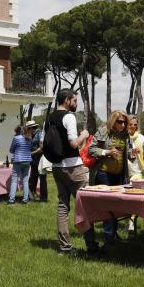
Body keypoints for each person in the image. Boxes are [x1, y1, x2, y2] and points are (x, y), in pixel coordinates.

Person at [48, 89, 96, 255]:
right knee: (86, 205)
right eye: (75, 101)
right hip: (73, 167)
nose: (76, 104)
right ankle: (92, 245)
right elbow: (73, 143)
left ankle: (65, 247)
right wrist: (84, 134)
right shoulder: (69, 117)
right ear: (67, 100)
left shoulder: (50, 118)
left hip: (57, 167)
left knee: (62, 206)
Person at [88, 109, 130, 245]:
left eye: (125, 122)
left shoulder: (125, 135)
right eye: (120, 122)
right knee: (107, 206)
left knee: (117, 205)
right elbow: (91, 149)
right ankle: (109, 237)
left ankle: (113, 234)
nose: (123, 125)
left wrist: (131, 154)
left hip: (119, 175)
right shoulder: (104, 130)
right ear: (113, 120)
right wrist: (107, 152)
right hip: (103, 174)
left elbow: (125, 152)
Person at [8, 121, 35, 204]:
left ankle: (12, 200)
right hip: (27, 160)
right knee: (25, 180)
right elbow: (30, 149)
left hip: (18, 160)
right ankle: (25, 199)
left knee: (14, 180)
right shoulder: (29, 138)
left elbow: (11, 150)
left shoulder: (16, 138)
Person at [28, 122, 48, 202]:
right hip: (33, 159)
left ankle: (43, 198)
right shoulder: (31, 135)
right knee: (33, 178)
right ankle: (31, 196)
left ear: (31, 128)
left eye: (28, 129)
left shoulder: (40, 134)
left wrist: (31, 153)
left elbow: (42, 147)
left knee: (42, 178)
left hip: (40, 158)